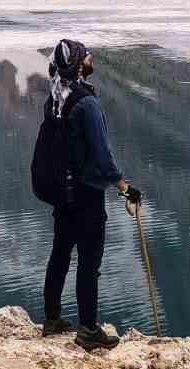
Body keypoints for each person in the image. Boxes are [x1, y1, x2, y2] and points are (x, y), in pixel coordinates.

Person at [40, 39, 142, 350]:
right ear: (80, 65)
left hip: (62, 193)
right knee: (88, 262)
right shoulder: (86, 103)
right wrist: (125, 188)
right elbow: (102, 156)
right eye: (87, 55)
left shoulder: (55, 98)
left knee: (60, 255)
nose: (91, 58)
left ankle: (52, 319)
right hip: (86, 196)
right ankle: (87, 330)